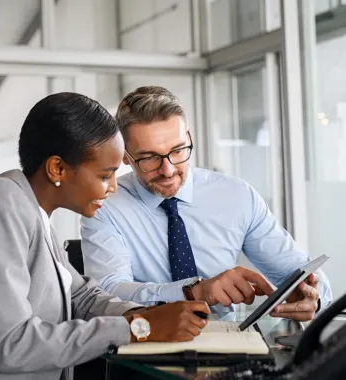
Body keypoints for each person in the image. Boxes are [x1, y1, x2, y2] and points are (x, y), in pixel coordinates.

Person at [0, 92, 210, 380]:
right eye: (104, 175)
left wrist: (142, 315)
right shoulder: (1, 204)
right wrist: (138, 328)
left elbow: (81, 295)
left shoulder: (34, 212)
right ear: (57, 168)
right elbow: (10, 345)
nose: (112, 187)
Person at [80, 86, 332, 322]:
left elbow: (300, 272)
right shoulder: (105, 205)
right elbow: (108, 293)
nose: (167, 170)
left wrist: (312, 296)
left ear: (188, 136)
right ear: (125, 155)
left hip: (233, 348)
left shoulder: (236, 195)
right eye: (149, 158)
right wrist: (192, 292)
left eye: (178, 150)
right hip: (146, 350)